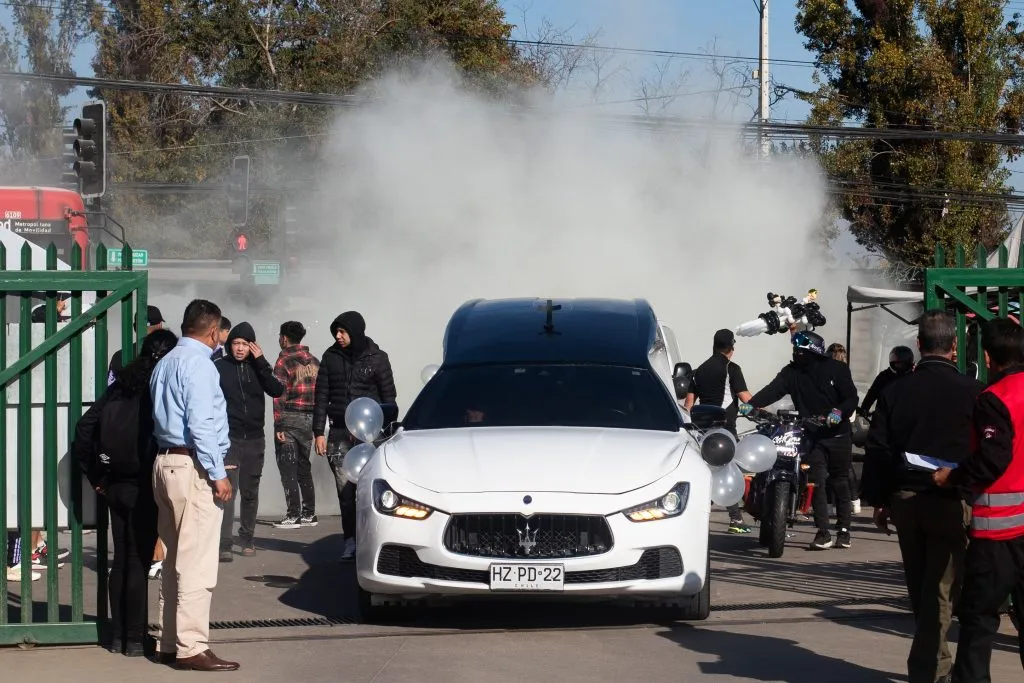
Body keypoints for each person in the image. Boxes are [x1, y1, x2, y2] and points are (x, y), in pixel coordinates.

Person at [861, 311, 982, 683]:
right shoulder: (974, 393)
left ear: (919, 345)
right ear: (955, 346)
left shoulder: (895, 391)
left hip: (906, 500)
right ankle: (928, 672)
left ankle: (935, 667)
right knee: (942, 590)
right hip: (951, 500)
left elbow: (878, 449)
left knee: (921, 587)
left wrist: (879, 500)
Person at [72, 328, 178, 657]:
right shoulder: (160, 386)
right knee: (138, 559)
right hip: (142, 484)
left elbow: (85, 427)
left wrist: (95, 474)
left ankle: (117, 637)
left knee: (120, 560)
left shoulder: (122, 383)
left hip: (113, 483)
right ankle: (135, 639)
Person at [149, 299, 237, 672]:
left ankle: (170, 642)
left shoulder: (166, 360)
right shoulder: (200, 365)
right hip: (192, 467)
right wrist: (217, 473)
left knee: (172, 559)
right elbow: (201, 423)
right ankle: (191, 646)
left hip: (165, 462)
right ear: (214, 330)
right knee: (197, 562)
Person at [935, 318, 1024, 682]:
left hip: (997, 534)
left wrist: (951, 476)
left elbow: (992, 457)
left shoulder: (995, 398)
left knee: (979, 620)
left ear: (988, 357)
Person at [739, 330, 859, 550]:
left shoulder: (837, 369)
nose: (795, 353)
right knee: (816, 482)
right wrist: (753, 403)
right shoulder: (791, 372)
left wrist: (839, 412)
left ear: (812, 351)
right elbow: (773, 390)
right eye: (794, 350)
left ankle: (844, 531)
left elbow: (851, 397)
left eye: (800, 350)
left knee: (840, 481)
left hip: (838, 434)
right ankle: (823, 532)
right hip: (811, 434)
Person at [312, 311, 397, 561]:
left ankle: (374, 541)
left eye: (343, 332)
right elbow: (321, 396)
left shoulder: (378, 359)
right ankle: (350, 541)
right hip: (339, 433)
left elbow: (389, 399)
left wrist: (387, 432)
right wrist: (318, 432)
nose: (338, 336)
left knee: (372, 490)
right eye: (336, 332)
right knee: (345, 492)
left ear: (355, 332)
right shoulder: (330, 357)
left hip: (371, 435)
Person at [214, 322, 284, 560]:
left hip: (255, 438)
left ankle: (247, 539)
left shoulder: (258, 367)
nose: (240, 348)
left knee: (250, 491)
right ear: (230, 344)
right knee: (227, 493)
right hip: (229, 438)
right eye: (236, 343)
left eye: (245, 344)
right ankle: (224, 543)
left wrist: (262, 361)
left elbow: (276, 390)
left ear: (253, 346)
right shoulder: (219, 367)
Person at [684, 329, 753, 534]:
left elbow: (688, 405)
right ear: (732, 348)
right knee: (729, 471)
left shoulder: (698, 371)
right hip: (726, 430)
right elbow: (746, 398)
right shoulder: (732, 369)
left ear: (714, 345)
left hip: (702, 431)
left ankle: (695, 521)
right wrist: (765, 411)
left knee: (706, 473)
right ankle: (736, 520)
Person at [272, 321, 320, 529]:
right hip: (309, 419)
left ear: (284, 338)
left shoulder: (284, 361)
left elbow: (278, 395)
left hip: (289, 417)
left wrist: (278, 425)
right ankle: (309, 513)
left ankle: (293, 515)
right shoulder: (314, 361)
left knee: (287, 466)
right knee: (303, 466)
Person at [108, 305, 165, 385]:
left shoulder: (119, 356)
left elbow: (111, 387)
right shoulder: (167, 353)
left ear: (135, 327)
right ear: (160, 326)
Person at [859, 345, 915, 415]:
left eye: (902, 364)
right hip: (883, 415)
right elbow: (872, 393)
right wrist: (864, 409)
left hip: (906, 416)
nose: (899, 366)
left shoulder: (914, 376)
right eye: (897, 363)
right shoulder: (884, 376)